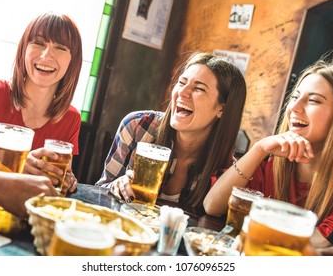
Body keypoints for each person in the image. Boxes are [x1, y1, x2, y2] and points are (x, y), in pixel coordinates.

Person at [204, 60, 333, 250]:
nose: (294, 108)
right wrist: (259, 149)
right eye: (294, 97)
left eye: (313, 100)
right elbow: (212, 205)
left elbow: (302, 248)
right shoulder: (273, 160)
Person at [96, 52, 247, 213]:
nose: (183, 92)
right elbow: (98, 192)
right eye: (181, 83)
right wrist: (115, 186)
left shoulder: (226, 170)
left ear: (222, 109)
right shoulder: (137, 126)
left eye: (199, 88)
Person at [0, 12, 82, 194]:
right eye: (38, 43)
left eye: (60, 47)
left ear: (73, 60)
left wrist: (66, 180)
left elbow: (53, 184)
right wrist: (14, 172)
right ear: (24, 49)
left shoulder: (71, 118)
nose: (46, 55)